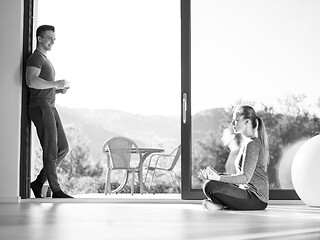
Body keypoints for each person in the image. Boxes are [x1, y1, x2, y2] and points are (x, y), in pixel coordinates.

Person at [26, 25, 73, 198]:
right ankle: (56, 190)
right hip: (40, 107)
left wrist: (57, 90)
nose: (53, 41)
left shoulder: (45, 59)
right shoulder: (35, 58)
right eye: (49, 38)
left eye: (54, 38)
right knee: (51, 149)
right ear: (39, 38)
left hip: (50, 105)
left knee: (63, 148)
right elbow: (31, 81)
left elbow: (41, 85)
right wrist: (55, 84)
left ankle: (38, 183)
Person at [198, 105, 269, 210]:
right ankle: (221, 205)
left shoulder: (252, 144)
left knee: (211, 186)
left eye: (236, 120)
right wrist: (216, 176)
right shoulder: (246, 143)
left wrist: (218, 178)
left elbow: (245, 178)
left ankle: (221, 206)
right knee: (210, 184)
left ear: (247, 122)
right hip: (246, 193)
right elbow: (240, 177)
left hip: (256, 198)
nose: (232, 124)